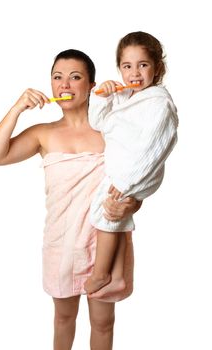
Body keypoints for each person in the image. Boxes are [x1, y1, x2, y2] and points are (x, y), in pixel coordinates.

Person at [0, 49, 141, 350]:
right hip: (63, 242)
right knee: (63, 319)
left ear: (91, 86)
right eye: (57, 78)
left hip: (106, 243)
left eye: (75, 77)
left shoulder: (112, 130)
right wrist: (17, 107)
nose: (64, 85)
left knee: (103, 323)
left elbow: (136, 180)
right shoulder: (44, 133)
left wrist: (133, 204)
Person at [84, 31, 179, 298]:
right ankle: (116, 278)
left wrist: (125, 183)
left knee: (106, 213)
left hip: (134, 173)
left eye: (143, 65)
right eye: (127, 66)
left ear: (157, 67)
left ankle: (101, 272)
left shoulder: (159, 104)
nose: (134, 73)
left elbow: (155, 147)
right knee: (116, 217)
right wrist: (102, 97)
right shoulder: (128, 97)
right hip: (122, 171)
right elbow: (98, 123)